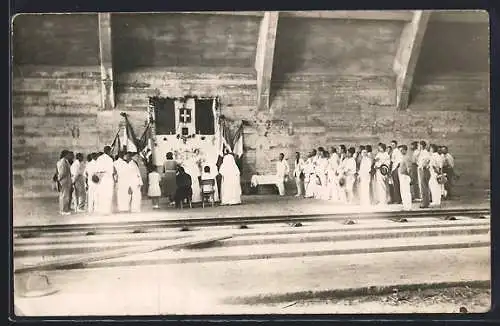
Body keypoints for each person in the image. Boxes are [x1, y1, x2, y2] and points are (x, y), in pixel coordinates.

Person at [94, 146, 115, 215]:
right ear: (109, 151)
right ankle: (107, 211)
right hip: (107, 177)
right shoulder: (109, 159)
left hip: (100, 177)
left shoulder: (99, 158)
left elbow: (96, 169)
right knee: (108, 194)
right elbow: (111, 171)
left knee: (102, 194)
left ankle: (101, 210)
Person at [56, 150, 72, 215]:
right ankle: (63, 210)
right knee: (64, 196)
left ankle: (64, 209)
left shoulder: (65, 161)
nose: (69, 156)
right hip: (64, 181)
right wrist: (59, 180)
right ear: (65, 155)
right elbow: (62, 173)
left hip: (66, 181)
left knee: (65, 196)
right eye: (68, 155)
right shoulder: (62, 162)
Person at [417, 141, 431, 208]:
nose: (418, 147)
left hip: (424, 170)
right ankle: (425, 202)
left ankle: (425, 203)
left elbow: (427, 160)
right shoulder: (421, 152)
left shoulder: (425, 152)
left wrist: (423, 166)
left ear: (421, 146)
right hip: (421, 169)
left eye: (419, 145)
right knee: (423, 186)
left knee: (424, 186)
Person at [398, 145, 412, 210]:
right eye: (400, 150)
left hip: (405, 176)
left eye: (401, 150)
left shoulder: (406, 157)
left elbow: (409, 168)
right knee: (403, 192)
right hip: (402, 176)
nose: (400, 151)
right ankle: (405, 206)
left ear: (405, 150)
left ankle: (408, 207)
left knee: (406, 192)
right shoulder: (403, 157)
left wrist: (408, 176)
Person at [390, 140, 402, 204]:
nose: (392, 146)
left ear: (396, 145)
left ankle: (398, 200)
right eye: (391, 145)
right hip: (394, 168)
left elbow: (397, 161)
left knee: (396, 184)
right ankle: (397, 199)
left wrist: (395, 168)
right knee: (395, 184)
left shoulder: (397, 151)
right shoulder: (394, 151)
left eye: (393, 145)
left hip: (395, 169)